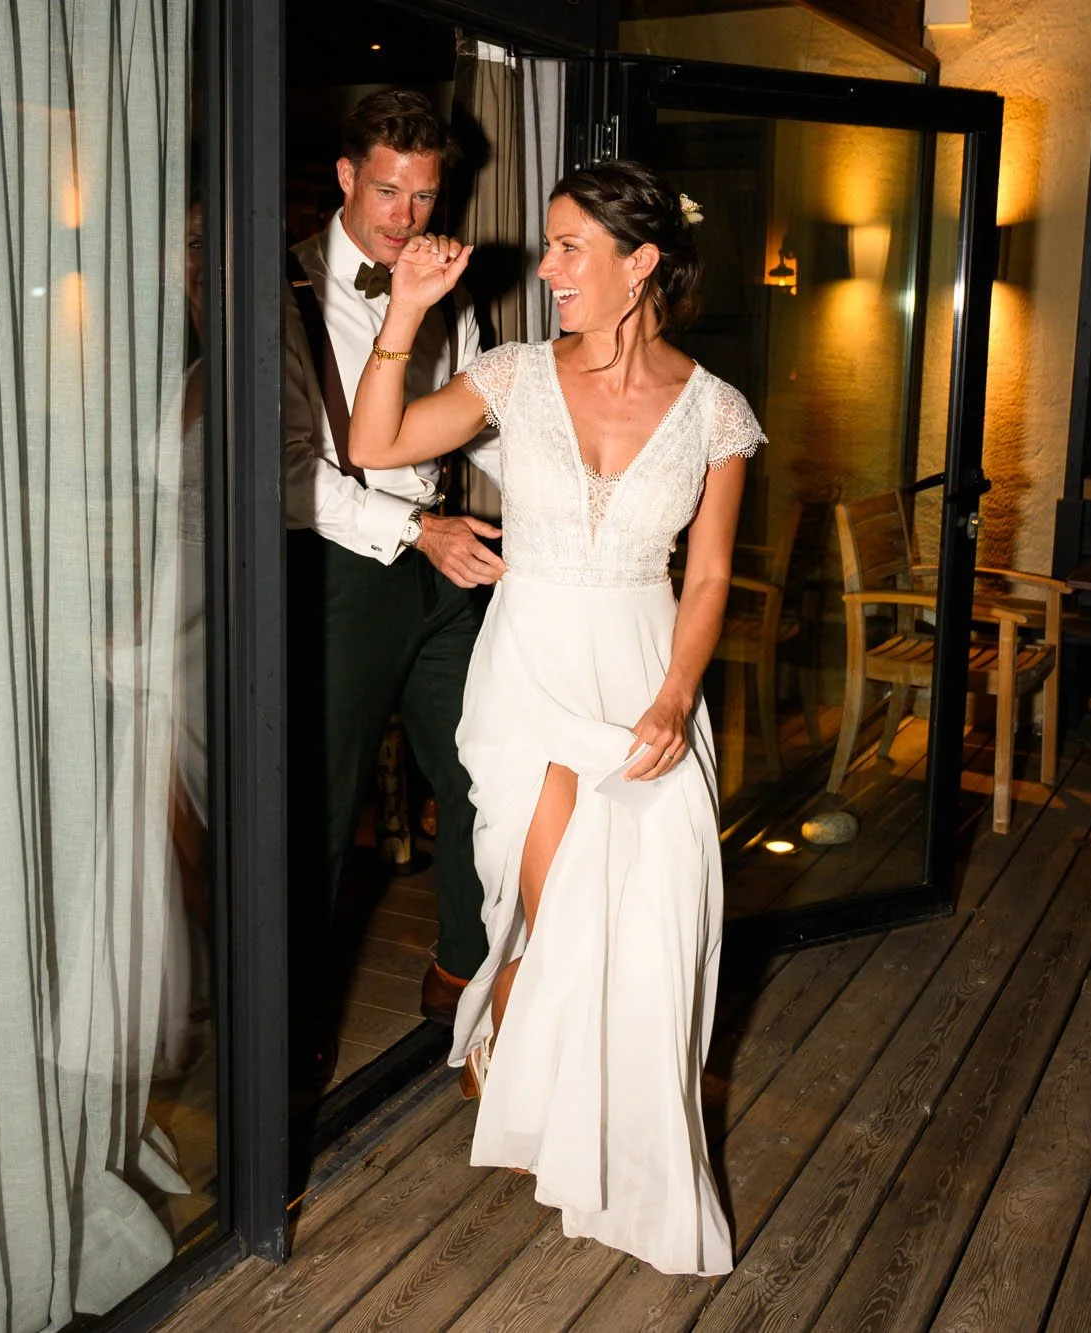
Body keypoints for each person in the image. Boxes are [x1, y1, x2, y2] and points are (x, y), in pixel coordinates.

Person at [345, 159, 758, 1276]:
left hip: (641, 674)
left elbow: (709, 577)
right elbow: (374, 446)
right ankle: (517, 1046)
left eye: (571, 247)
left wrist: (675, 693)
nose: (548, 268)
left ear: (641, 265)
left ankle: (597, 1133)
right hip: (528, 673)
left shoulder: (715, 411)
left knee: (646, 928)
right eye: (548, 243)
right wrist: (409, 315)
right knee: (553, 904)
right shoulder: (512, 375)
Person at [284, 89, 501, 1083]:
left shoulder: (449, 279)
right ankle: (289, 1022)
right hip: (340, 568)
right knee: (319, 810)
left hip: (440, 558)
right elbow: (284, 471)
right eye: (384, 190)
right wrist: (413, 529)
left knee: (479, 770)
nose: (403, 217)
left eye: (422, 195)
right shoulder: (280, 289)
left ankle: (464, 963)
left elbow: (470, 419)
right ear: (343, 176)